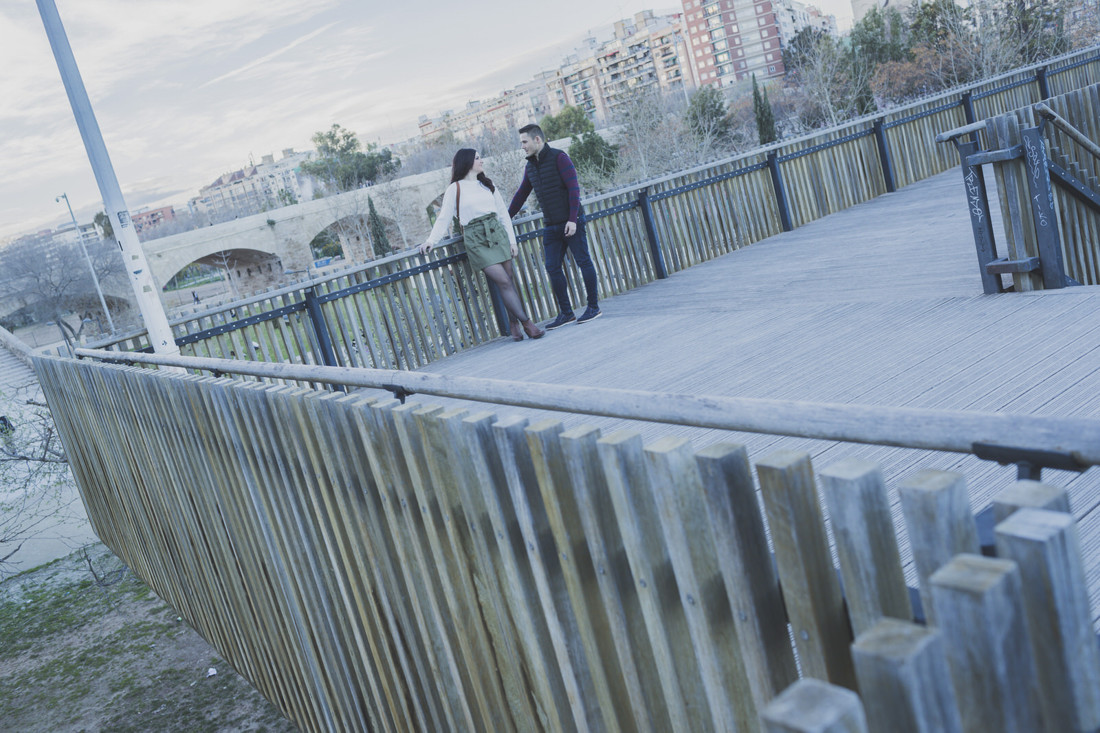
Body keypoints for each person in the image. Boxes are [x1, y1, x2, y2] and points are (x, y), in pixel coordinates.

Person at [419, 149, 545, 341]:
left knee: (508, 280)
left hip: (497, 232)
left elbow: (503, 213)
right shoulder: (455, 189)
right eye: (478, 158)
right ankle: (528, 324)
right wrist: (431, 240)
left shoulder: (487, 184)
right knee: (503, 281)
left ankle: (513, 323)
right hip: (476, 239)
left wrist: (512, 241)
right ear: (467, 162)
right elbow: (443, 217)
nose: (482, 161)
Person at [508, 123, 600, 329]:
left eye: (525, 142)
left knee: (583, 261)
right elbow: (521, 194)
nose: (522, 146)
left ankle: (593, 307)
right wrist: (507, 218)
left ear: (537, 140)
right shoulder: (530, 166)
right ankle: (566, 313)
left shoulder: (560, 158)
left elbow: (574, 189)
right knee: (551, 267)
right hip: (551, 226)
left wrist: (573, 219)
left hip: (571, 222)